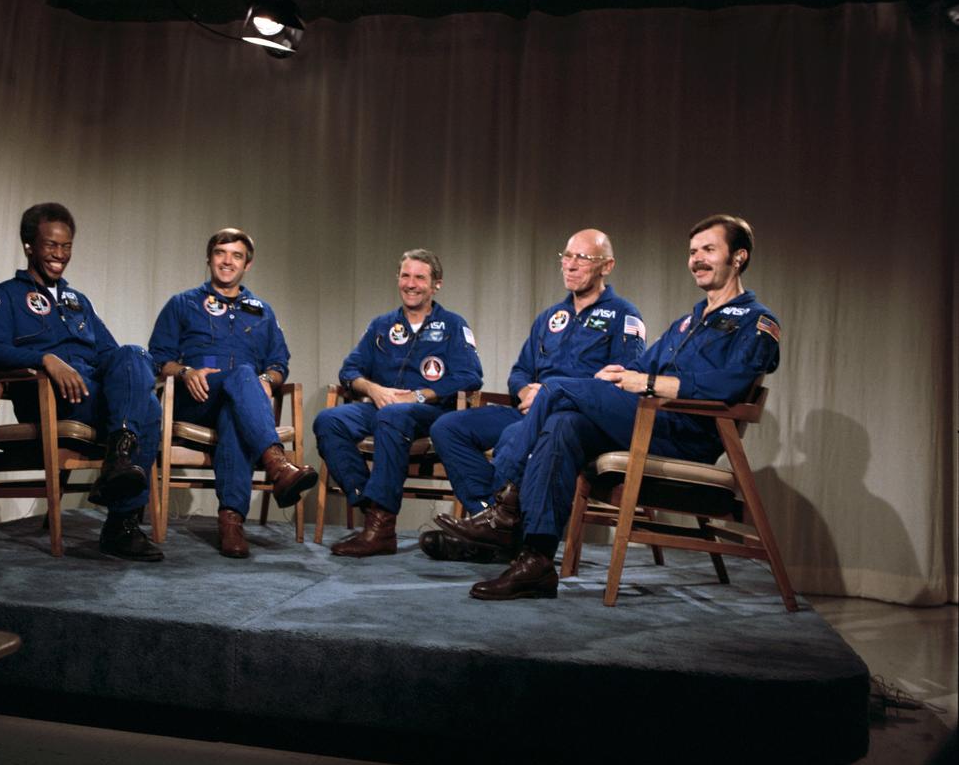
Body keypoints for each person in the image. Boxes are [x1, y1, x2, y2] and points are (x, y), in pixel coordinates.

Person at [441, 214, 781, 601]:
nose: (697, 259)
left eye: (708, 250)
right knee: (565, 425)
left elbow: (731, 385)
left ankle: (504, 509)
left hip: (687, 434)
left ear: (738, 257)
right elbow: (641, 367)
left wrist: (649, 383)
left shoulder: (757, 321)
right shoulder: (686, 324)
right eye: (692, 252)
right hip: (651, 424)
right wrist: (620, 374)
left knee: (556, 391)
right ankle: (536, 561)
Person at [421, 228, 645, 563]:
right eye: (566, 256)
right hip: (528, 410)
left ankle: (500, 531)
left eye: (582, 258)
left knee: (514, 434)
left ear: (607, 266)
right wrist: (527, 390)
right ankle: (492, 522)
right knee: (447, 428)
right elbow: (520, 372)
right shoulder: (550, 318)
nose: (570, 265)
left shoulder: (624, 316)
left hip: (571, 419)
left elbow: (621, 381)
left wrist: (554, 393)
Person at [0, 202, 163, 562]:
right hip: (49, 397)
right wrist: (44, 358)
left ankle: (119, 459)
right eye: (51, 245)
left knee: (135, 355)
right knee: (148, 407)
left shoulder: (79, 303)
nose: (59, 255)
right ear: (29, 245)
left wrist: (134, 365)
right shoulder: (5, 297)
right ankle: (121, 523)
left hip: (92, 394)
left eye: (66, 247)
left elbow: (110, 352)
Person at [149, 228, 317, 559]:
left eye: (236, 256)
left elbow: (279, 362)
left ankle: (231, 523)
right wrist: (185, 372)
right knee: (243, 375)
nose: (228, 261)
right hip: (195, 398)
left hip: (240, 402)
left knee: (236, 405)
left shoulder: (261, 310)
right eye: (221, 253)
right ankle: (277, 464)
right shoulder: (183, 303)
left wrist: (268, 379)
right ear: (209, 258)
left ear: (247, 264)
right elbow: (157, 358)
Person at [313, 249, 484, 557]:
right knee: (328, 420)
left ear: (436, 285)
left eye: (420, 277)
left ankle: (379, 526)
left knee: (393, 415)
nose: (411, 284)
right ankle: (372, 509)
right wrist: (373, 388)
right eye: (405, 276)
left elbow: (470, 376)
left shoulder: (453, 325)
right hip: (382, 407)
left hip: (430, 414)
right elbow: (349, 370)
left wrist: (420, 395)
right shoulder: (381, 326)